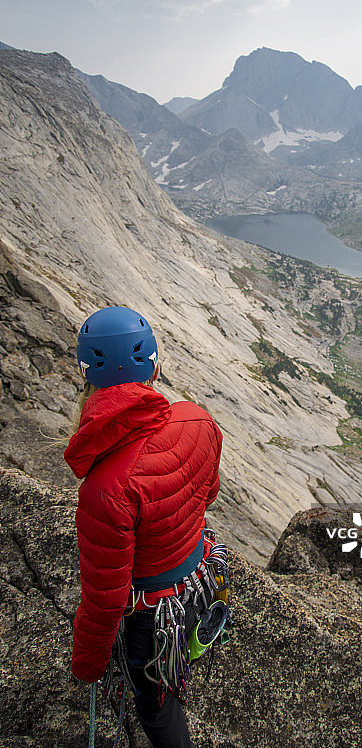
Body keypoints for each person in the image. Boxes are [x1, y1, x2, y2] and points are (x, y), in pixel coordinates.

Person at [64, 306, 224, 748]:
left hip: (151, 615)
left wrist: (88, 664)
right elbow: (206, 495)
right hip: (199, 578)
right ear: (154, 363)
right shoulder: (197, 419)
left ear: (87, 376)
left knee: (154, 707)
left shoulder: (104, 488)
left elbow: (106, 597)